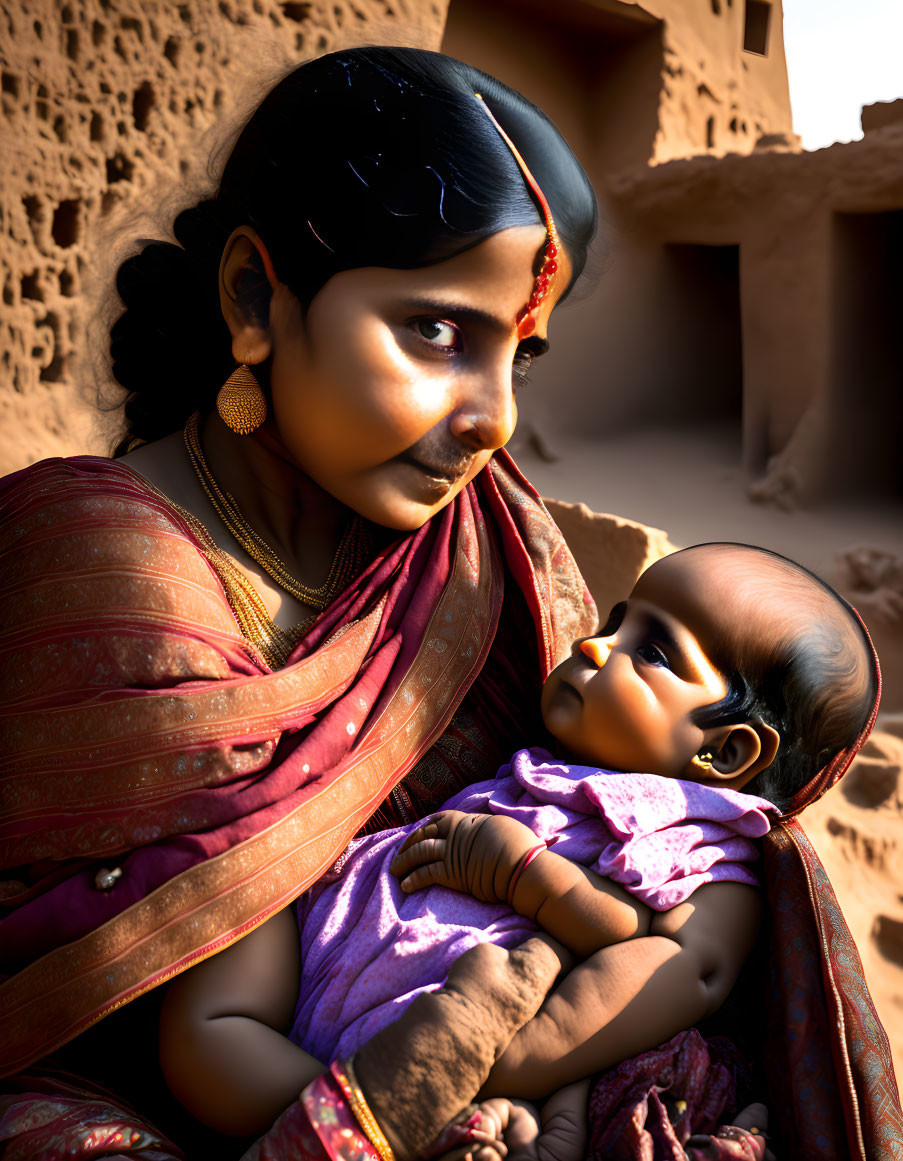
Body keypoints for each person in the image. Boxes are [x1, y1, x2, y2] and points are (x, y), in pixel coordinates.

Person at [0, 44, 898, 1161]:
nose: (495, 419)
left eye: (522, 356)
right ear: (253, 298)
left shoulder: (481, 551)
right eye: (435, 331)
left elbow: (656, 852)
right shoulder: (88, 565)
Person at [155, 542, 874, 1159]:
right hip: (332, 944)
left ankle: (413, 1097)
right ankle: (353, 1107)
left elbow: (684, 970)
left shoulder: (708, 845)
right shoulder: (542, 758)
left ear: (725, 750)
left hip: (470, 1026)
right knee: (214, 997)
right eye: (614, 622)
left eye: (649, 651)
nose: (594, 645)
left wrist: (526, 889)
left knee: (558, 1089)